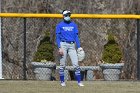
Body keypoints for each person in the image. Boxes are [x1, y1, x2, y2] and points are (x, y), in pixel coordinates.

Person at [55, 10, 84, 87]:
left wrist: (79, 47)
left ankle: (79, 82)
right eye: (67, 15)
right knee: (62, 65)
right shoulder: (59, 25)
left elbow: (76, 37)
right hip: (63, 44)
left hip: (72, 45)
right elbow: (57, 37)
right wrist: (59, 47)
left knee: (76, 64)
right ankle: (62, 81)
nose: (68, 16)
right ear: (63, 16)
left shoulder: (74, 25)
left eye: (69, 15)